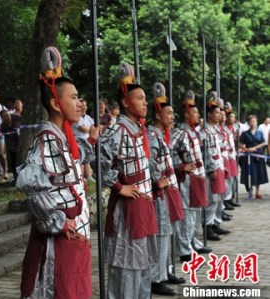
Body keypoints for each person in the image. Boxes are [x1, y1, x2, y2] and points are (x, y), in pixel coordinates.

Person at [16, 46, 99, 299]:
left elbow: (74, 165)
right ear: (55, 102)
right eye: (73, 97)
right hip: (58, 238)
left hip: (74, 235)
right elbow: (32, 185)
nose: (80, 103)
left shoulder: (64, 137)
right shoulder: (47, 139)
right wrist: (57, 221)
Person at [100, 63, 157, 299]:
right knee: (125, 265)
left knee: (142, 264)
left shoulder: (138, 129)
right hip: (126, 210)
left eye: (145, 99)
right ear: (126, 102)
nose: (145, 103)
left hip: (143, 204)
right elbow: (101, 159)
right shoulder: (118, 131)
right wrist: (118, 186)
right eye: (140, 98)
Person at [147, 83, 185, 296]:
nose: (172, 116)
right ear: (159, 115)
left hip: (169, 188)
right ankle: (156, 278)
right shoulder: (152, 136)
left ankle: (165, 270)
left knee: (168, 231)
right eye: (169, 113)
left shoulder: (162, 136)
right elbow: (150, 163)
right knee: (161, 233)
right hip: (159, 192)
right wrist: (155, 182)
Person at [171, 90, 210, 262]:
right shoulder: (180, 132)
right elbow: (169, 150)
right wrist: (181, 166)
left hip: (198, 176)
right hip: (187, 178)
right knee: (187, 213)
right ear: (187, 114)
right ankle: (185, 248)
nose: (198, 115)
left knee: (195, 212)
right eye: (194, 112)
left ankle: (193, 241)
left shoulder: (194, 132)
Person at [204, 92, 228, 241]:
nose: (219, 115)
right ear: (209, 114)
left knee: (218, 197)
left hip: (219, 166)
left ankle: (214, 223)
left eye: (220, 112)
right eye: (217, 113)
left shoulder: (216, 130)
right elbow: (207, 152)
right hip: (211, 169)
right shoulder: (206, 131)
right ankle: (207, 226)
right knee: (211, 199)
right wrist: (211, 168)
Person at [239, 115, 269, 199]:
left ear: (257, 122)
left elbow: (264, 142)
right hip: (248, 157)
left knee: (258, 173)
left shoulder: (260, 133)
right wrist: (246, 149)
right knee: (250, 174)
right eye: (251, 121)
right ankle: (250, 192)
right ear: (248, 123)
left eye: (254, 121)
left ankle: (257, 192)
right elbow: (239, 143)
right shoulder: (245, 133)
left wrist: (255, 148)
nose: (253, 123)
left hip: (258, 155)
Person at [72, 98, 95, 181]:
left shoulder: (88, 117)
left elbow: (94, 127)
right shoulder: (76, 117)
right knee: (81, 159)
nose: (84, 107)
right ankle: (80, 177)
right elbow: (83, 129)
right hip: (79, 141)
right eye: (82, 106)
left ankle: (88, 176)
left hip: (88, 141)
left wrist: (91, 129)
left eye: (85, 105)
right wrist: (91, 129)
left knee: (87, 159)